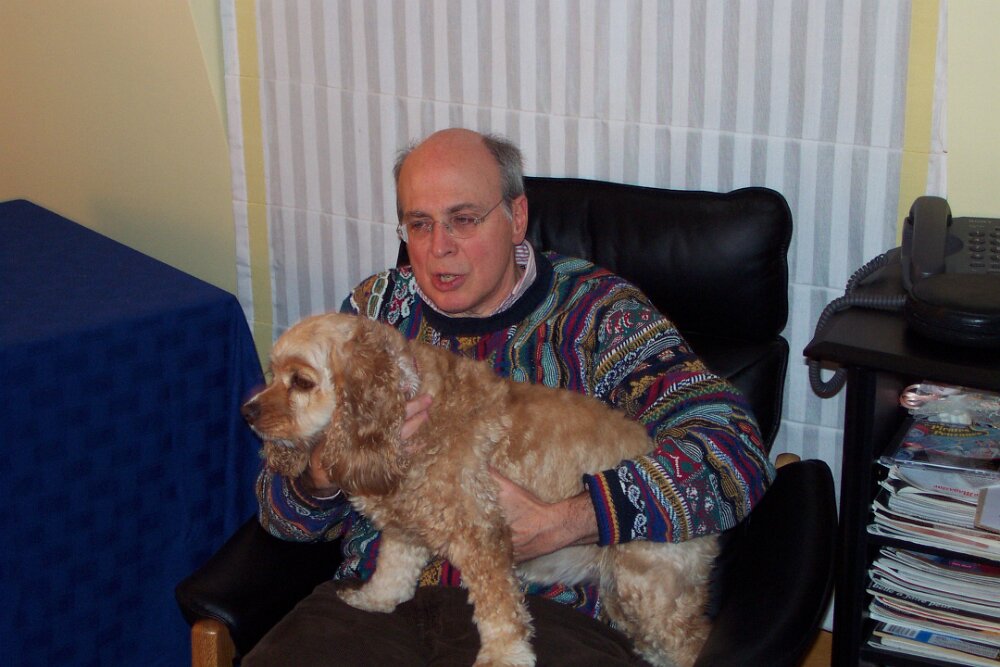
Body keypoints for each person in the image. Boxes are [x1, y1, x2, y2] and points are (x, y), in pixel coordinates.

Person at [243, 128, 775, 666]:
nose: (439, 246)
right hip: (375, 610)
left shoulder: (600, 315)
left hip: (545, 622)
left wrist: (571, 519)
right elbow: (281, 519)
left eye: (463, 219)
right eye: (419, 224)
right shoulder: (370, 313)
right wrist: (326, 468)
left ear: (516, 217)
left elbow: (734, 454)